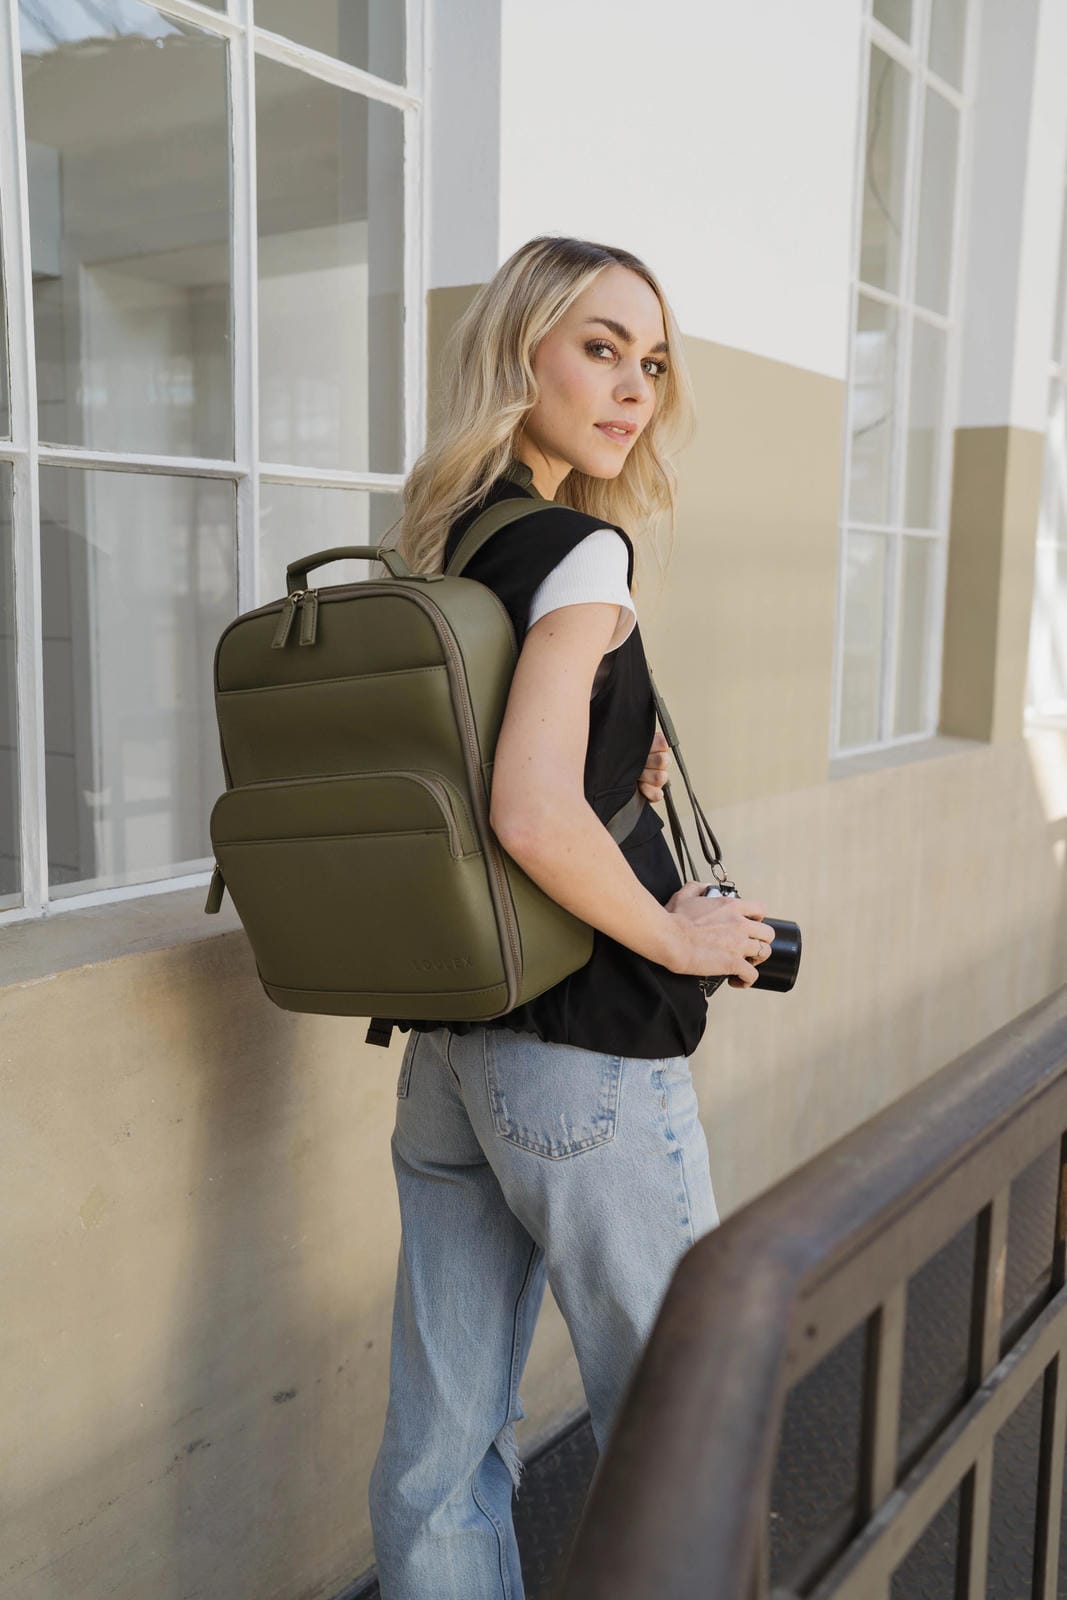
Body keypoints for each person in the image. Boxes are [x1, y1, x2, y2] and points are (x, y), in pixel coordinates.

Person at [367, 234, 775, 1600]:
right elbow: (528, 812)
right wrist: (680, 935)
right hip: (582, 1053)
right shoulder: (582, 550)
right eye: (600, 346)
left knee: (441, 1447)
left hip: (454, 1044)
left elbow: (487, 772)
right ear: (521, 349)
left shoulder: (447, 536)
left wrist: (620, 762)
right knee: (683, 1437)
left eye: (650, 362)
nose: (632, 388)